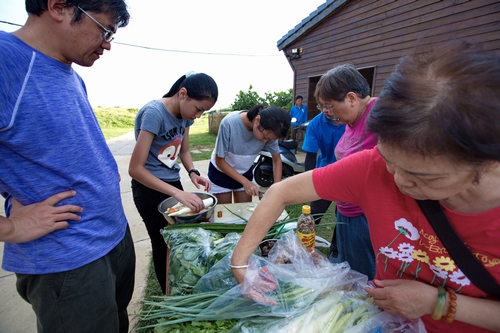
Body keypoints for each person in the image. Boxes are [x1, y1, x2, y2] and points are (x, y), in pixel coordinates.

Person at [231, 40, 500, 333]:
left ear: (487, 163)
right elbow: (280, 192)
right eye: (389, 160)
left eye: (421, 176)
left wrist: (439, 303)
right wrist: (240, 265)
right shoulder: (372, 169)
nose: (397, 180)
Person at [0, 1, 135, 332]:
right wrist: (10, 228)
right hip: (69, 261)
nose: (107, 44)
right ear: (59, 6)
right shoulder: (6, 60)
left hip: (112, 237)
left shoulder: (69, 72)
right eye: (104, 30)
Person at [129, 72, 217, 294]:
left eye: (203, 112)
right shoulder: (154, 113)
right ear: (183, 94)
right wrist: (177, 194)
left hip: (171, 182)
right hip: (148, 189)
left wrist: (193, 172)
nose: (198, 116)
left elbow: (184, 150)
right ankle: (169, 295)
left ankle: (182, 287)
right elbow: (135, 169)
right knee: (162, 243)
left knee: (180, 240)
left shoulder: (185, 116)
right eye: (198, 109)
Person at [313, 64, 378, 279]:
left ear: (351, 98)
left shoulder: (380, 116)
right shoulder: (353, 121)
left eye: (330, 106)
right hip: (346, 211)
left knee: (364, 279)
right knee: (349, 272)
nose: (328, 112)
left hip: (365, 216)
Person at [208, 105, 290, 204]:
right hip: (221, 173)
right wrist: (245, 182)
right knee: (223, 214)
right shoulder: (229, 123)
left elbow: (277, 160)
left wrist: (276, 189)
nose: (265, 141)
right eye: (265, 136)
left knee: (244, 212)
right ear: (257, 120)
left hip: (244, 172)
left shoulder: (271, 131)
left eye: (269, 139)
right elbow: (220, 161)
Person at [301, 104, 345, 259]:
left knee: (342, 217)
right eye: (322, 106)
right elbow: (310, 156)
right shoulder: (315, 124)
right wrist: (308, 182)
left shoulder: (352, 121)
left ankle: (336, 249)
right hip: (324, 174)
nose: (325, 110)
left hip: (348, 177)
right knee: (313, 215)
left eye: (330, 105)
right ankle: (302, 247)